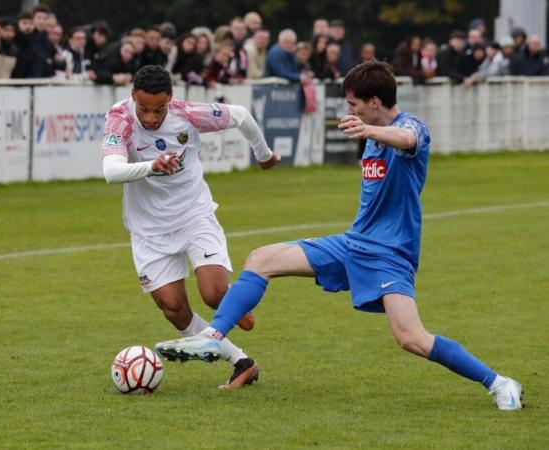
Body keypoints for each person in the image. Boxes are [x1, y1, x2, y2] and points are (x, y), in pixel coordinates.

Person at [155, 60, 524, 411]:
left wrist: (371, 131)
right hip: (352, 244)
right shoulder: (372, 136)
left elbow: (408, 138)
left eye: (354, 104)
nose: (351, 111)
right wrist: (369, 133)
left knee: (411, 338)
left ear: (375, 102)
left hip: (388, 255)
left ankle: (500, 383)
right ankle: (213, 337)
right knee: (261, 258)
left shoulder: (409, 128)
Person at [101, 65, 280, 388]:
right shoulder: (120, 118)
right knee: (174, 309)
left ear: (170, 98)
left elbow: (239, 115)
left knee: (212, 295)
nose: (151, 118)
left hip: (193, 215)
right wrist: (151, 166)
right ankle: (242, 362)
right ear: (133, 98)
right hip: (149, 229)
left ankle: (230, 304)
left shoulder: (188, 114)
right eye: (144, 108)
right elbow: (111, 171)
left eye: (159, 109)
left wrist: (263, 155)